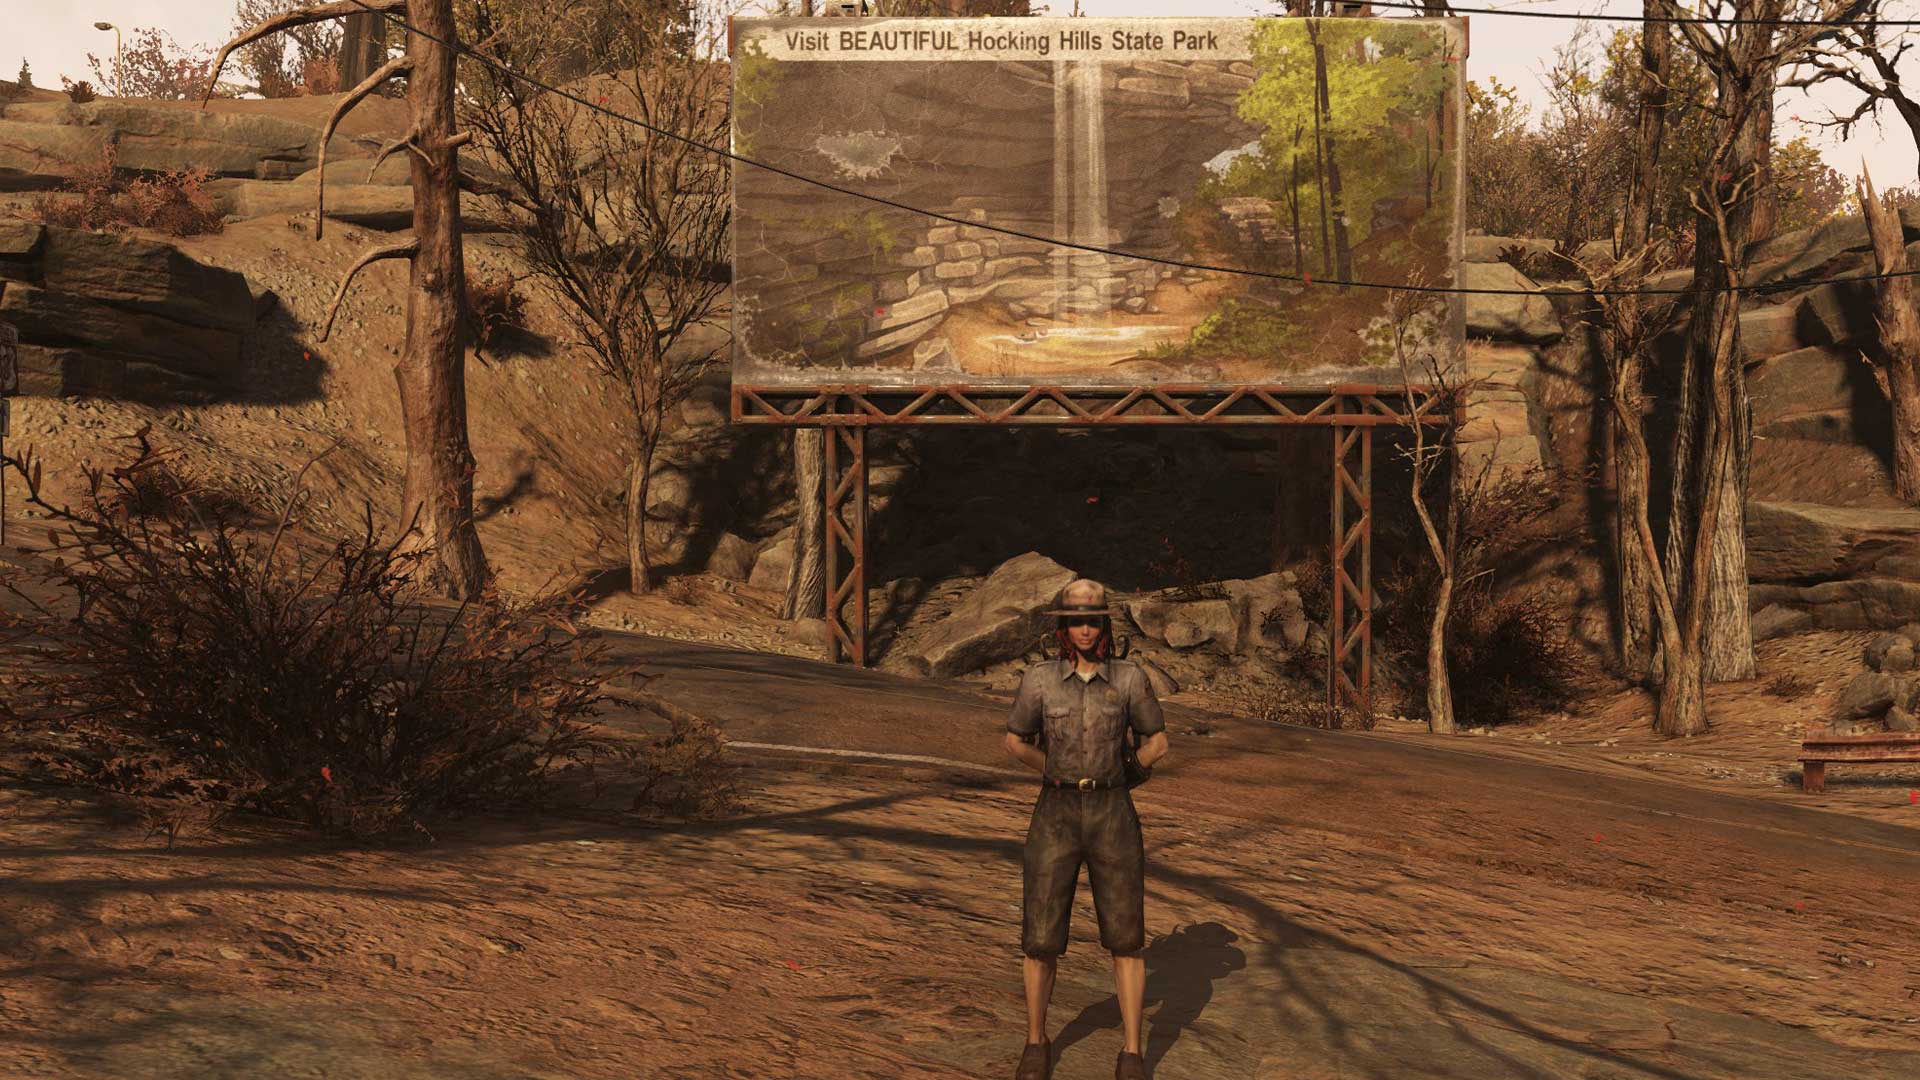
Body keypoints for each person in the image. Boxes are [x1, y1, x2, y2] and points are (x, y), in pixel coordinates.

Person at [1002, 578, 1171, 1080]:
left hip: (1112, 814)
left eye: (1091, 621)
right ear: (1062, 627)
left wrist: (1124, 775)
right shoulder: (1039, 681)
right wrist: (1052, 769)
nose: (1083, 630)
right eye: (1074, 621)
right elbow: (1015, 740)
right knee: (1039, 937)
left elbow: (1157, 742)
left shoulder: (1130, 679)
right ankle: (1036, 1041)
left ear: (1104, 624)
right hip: (1053, 813)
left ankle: (1132, 1051)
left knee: (1126, 938)